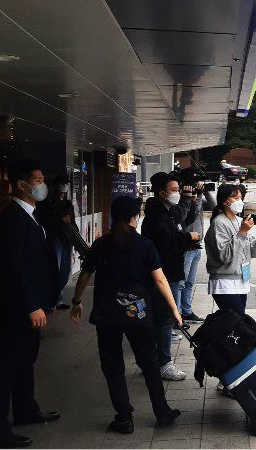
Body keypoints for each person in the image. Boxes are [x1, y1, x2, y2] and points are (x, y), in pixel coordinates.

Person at [70, 196, 183, 433]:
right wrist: (174, 309)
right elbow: (160, 279)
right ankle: (162, 412)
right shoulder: (144, 245)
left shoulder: (102, 244)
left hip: (107, 314)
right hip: (137, 313)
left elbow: (84, 275)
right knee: (149, 362)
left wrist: (77, 301)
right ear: (135, 216)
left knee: (112, 364)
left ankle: (123, 417)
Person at [0, 159, 60, 448]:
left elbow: (36, 264)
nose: (43, 185)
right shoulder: (12, 219)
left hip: (31, 305)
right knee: (7, 366)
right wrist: (32, 305)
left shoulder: (30, 214)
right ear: (22, 185)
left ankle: (26, 410)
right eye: (38, 180)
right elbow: (13, 269)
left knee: (25, 361)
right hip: (15, 310)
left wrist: (47, 300)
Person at [141, 172, 199, 381]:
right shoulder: (155, 217)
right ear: (162, 192)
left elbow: (183, 223)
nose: (177, 193)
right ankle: (163, 362)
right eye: (174, 190)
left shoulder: (171, 212)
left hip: (173, 270)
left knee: (163, 318)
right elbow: (168, 240)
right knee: (165, 318)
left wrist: (192, 200)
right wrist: (188, 237)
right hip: (163, 274)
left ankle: (155, 360)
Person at [205, 184, 256, 315]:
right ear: (224, 201)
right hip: (224, 282)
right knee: (237, 321)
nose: (239, 201)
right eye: (235, 198)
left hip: (241, 279)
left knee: (235, 323)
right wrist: (242, 232)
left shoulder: (240, 221)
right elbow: (225, 256)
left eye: (241, 198)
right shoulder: (219, 222)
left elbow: (251, 252)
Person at [35, 174, 76, 310]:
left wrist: (75, 237)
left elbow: (72, 221)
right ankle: (53, 300)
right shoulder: (49, 203)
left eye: (66, 184)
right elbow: (45, 219)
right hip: (55, 238)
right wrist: (60, 220)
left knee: (65, 270)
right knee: (55, 269)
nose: (65, 186)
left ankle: (57, 298)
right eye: (62, 183)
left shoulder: (68, 203)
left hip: (67, 239)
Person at [179, 181, 216, 324]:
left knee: (189, 282)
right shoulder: (184, 203)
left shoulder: (198, 199)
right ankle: (178, 313)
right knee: (181, 282)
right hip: (186, 246)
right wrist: (192, 197)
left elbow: (213, 206)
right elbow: (188, 217)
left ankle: (187, 311)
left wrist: (204, 192)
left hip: (197, 245)